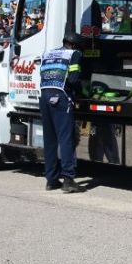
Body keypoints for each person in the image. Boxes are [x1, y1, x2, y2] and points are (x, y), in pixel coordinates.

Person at [38, 32, 85, 193]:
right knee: (66, 139)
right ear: (74, 45)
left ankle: (51, 180)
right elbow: (73, 78)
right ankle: (68, 180)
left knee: (50, 139)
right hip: (61, 97)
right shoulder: (74, 54)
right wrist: (82, 90)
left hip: (44, 96)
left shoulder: (48, 53)